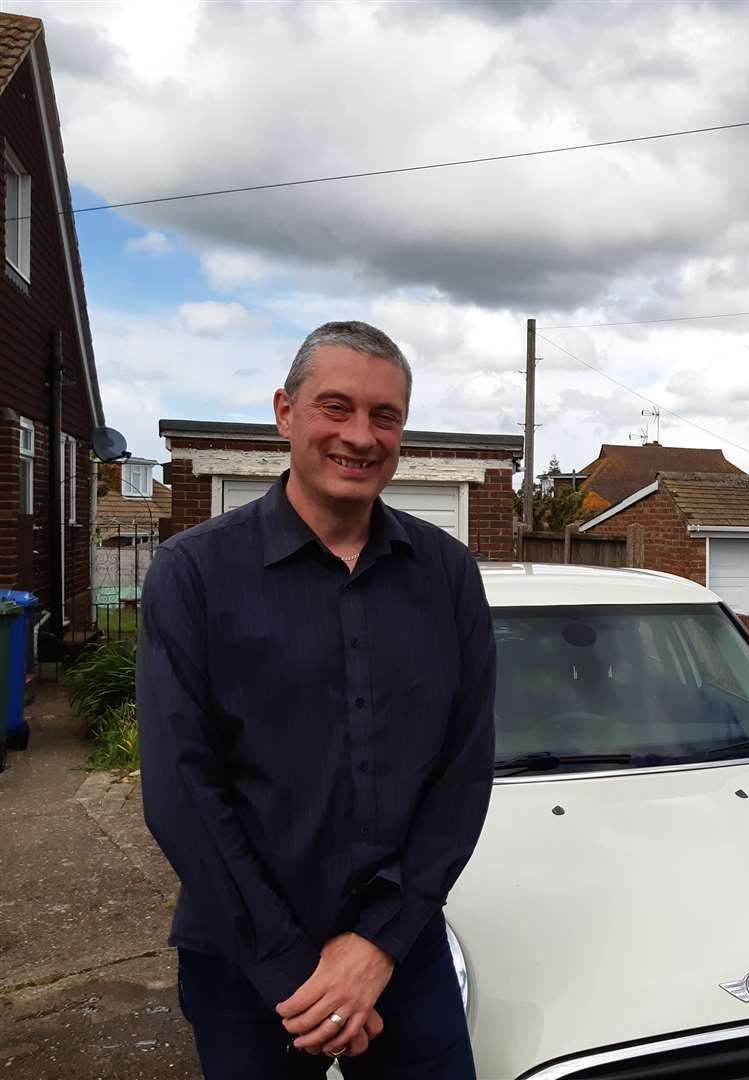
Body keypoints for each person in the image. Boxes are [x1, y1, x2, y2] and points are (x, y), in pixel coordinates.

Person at [138, 322, 496, 1078]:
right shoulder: (193, 575)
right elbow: (181, 793)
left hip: (402, 954)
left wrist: (376, 945)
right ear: (285, 413)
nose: (360, 436)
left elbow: (462, 774)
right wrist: (293, 968)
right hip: (243, 963)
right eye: (336, 407)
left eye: (385, 415)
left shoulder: (449, 575)